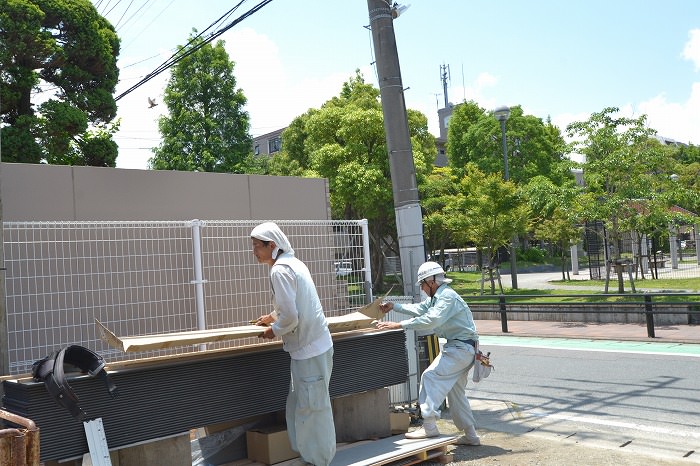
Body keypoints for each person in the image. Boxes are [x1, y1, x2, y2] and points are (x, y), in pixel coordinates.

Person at [250, 222, 336, 466]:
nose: (254, 251)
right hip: (313, 347)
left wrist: (273, 330)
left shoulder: (280, 270)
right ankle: (309, 456)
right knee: (303, 404)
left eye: (258, 246)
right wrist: (273, 316)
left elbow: (292, 317)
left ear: (272, 245)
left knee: (312, 407)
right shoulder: (293, 263)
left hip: (309, 350)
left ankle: (319, 460)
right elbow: (291, 305)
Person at [376, 261, 481, 446]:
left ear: (431, 281)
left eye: (422, 284)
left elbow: (432, 320)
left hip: (460, 349)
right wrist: (395, 307)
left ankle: (430, 427)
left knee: (430, 377)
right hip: (463, 348)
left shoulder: (446, 297)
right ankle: (471, 435)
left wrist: (399, 325)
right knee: (456, 393)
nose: (422, 288)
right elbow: (420, 309)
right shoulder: (438, 297)